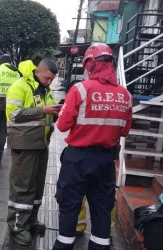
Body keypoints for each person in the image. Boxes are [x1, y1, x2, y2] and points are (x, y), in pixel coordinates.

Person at [53, 43, 133, 250]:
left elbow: (62, 125)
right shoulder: (125, 95)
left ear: (90, 64)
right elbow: (124, 131)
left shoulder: (80, 89)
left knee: (70, 206)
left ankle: (63, 246)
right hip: (105, 161)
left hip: (77, 159)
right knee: (102, 209)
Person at [5, 59, 62, 246]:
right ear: (38, 72)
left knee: (37, 188)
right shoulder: (19, 86)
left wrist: (55, 112)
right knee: (22, 187)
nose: (49, 82)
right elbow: (13, 114)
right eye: (47, 78)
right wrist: (42, 110)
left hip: (41, 144)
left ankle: (30, 221)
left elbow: (48, 111)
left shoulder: (46, 90)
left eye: (52, 79)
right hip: (24, 146)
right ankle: (16, 226)